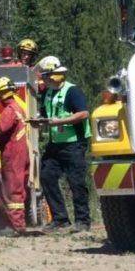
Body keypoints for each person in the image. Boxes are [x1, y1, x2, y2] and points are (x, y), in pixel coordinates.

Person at [29, 60, 91, 232]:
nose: (44, 81)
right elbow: (45, 114)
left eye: (46, 77)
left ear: (53, 76)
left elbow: (84, 113)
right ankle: (60, 219)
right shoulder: (48, 93)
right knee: (46, 176)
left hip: (74, 144)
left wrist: (59, 122)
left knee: (76, 182)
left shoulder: (73, 91)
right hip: (55, 144)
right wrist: (39, 122)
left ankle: (83, 221)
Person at [0, 77, 29, 234]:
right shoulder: (18, 107)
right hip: (20, 152)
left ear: (0, 94)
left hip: (13, 155)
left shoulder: (9, 110)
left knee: (12, 190)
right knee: (18, 189)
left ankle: (16, 227)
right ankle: (18, 224)